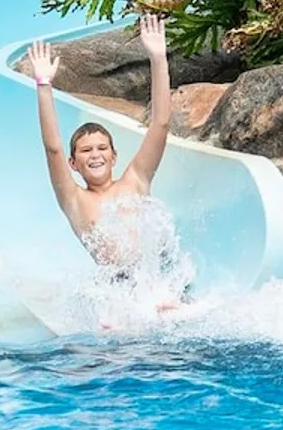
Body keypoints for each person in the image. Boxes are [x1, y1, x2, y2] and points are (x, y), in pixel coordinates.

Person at [25, 15, 172, 268]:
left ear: (114, 156)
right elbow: (53, 148)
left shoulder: (135, 180)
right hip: (118, 284)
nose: (95, 154)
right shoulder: (74, 199)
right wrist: (44, 85)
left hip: (160, 277)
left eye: (102, 148)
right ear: (73, 163)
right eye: (85, 150)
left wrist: (158, 59)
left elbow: (161, 123)